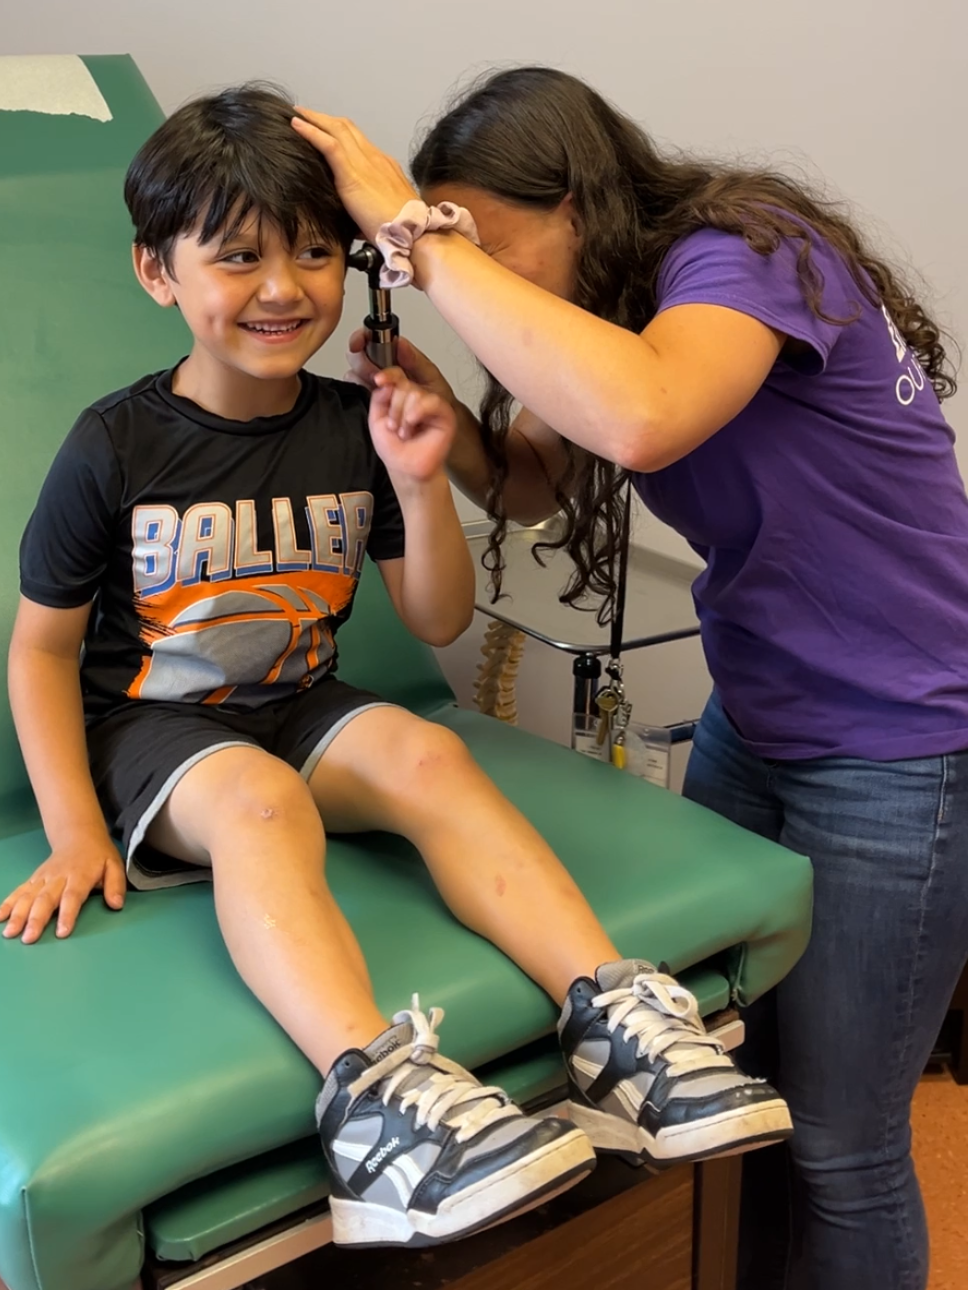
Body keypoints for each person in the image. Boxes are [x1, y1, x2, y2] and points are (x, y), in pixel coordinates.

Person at [0, 83, 789, 1251]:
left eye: (316, 253)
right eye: (239, 258)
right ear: (158, 273)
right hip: (158, 733)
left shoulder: (349, 419)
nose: (283, 289)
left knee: (427, 746)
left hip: (300, 702)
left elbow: (433, 620)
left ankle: (615, 1014)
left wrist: (419, 479)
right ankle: (373, 1105)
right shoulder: (114, 443)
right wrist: (73, 827)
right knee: (262, 802)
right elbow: (42, 647)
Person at [292, 66, 968, 1287]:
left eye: (493, 251)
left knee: (841, 1143)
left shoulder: (746, 251)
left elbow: (644, 420)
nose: (472, 279)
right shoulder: (617, 304)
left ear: (580, 203)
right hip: (755, 719)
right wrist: (442, 426)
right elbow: (537, 485)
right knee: (731, 1089)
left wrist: (420, 241)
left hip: (902, 745)